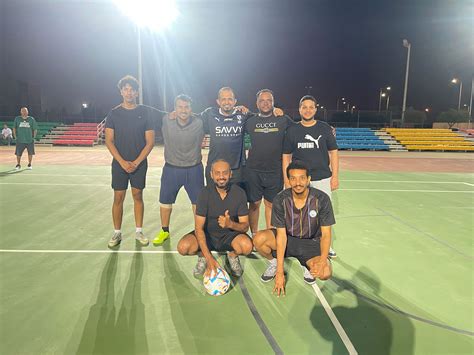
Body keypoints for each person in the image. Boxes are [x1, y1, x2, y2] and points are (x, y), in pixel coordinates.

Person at [253, 161, 335, 295]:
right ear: (289, 180)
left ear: (308, 179)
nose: (298, 183)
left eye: (302, 178)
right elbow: (281, 235)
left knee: (325, 272)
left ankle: (307, 265)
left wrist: (321, 261)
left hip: (312, 243)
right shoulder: (280, 200)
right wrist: (280, 271)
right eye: (293, 178)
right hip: (288, 239)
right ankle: (273, 263)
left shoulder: (322, 199)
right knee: (258, 239)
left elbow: (326, 234)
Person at [105, 75, 165, 248]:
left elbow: (150, 141)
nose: (129, 92)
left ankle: (139, 231)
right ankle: (117, 233)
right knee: (118, 197)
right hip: (119, 164)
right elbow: (109, 140)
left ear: (137, 92)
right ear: (121, 91)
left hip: (139, 163)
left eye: (132, 89)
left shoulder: (145, 112)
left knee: (138, 196)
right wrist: (122, 162)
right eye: (125, 89)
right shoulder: (114, 113)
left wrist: (137, 162)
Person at [282, 95, 339, 258]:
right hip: (299, 181)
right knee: (299, 213)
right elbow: (286, 156)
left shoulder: (324, 128)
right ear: (299, 109)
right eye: (304, 107)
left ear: (315, 109)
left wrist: (335, 176)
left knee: (324, 214)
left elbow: (333, 152)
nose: (307, 110)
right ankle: (298, 245)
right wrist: (287, 180)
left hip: (322, 178)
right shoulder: (292, 130)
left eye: (310, 107)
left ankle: (326, 246)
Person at [177, 159, 253, 277]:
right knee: (183, 247)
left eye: (225, 173)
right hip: (208, 234)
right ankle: (202, 255)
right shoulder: (204, 194)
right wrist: (209, 258)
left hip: (230, 236)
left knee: (247, 247)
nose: (221, 177)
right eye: (217, 173)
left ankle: (232, 255)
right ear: (211, 175)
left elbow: (245, 227)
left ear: (230, 174)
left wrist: (230, 224)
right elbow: (198, 228)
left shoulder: (239, 193)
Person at [153, 94, 205, 246]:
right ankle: (164, 231)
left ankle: (199, 232)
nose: (183, 110)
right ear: (174, 108)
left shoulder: (200, 122)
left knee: (197, 203)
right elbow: (146, 110)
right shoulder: (165, 120)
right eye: (180, 107)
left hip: (194, 169)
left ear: (191, 109)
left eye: (186, 107)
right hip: (172, 169)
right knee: (165, 201)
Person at [244, 89, 293, 235]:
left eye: (269, 100)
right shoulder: (250, 121)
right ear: (257, 103)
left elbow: (300, 130)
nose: (265, 103)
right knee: (254, 204)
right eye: (262, 101)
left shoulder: (283, 119)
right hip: (253, 170)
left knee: (271, 205)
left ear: (273, 102)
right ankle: (254, 235)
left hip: (275, 170)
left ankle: (269, 236)